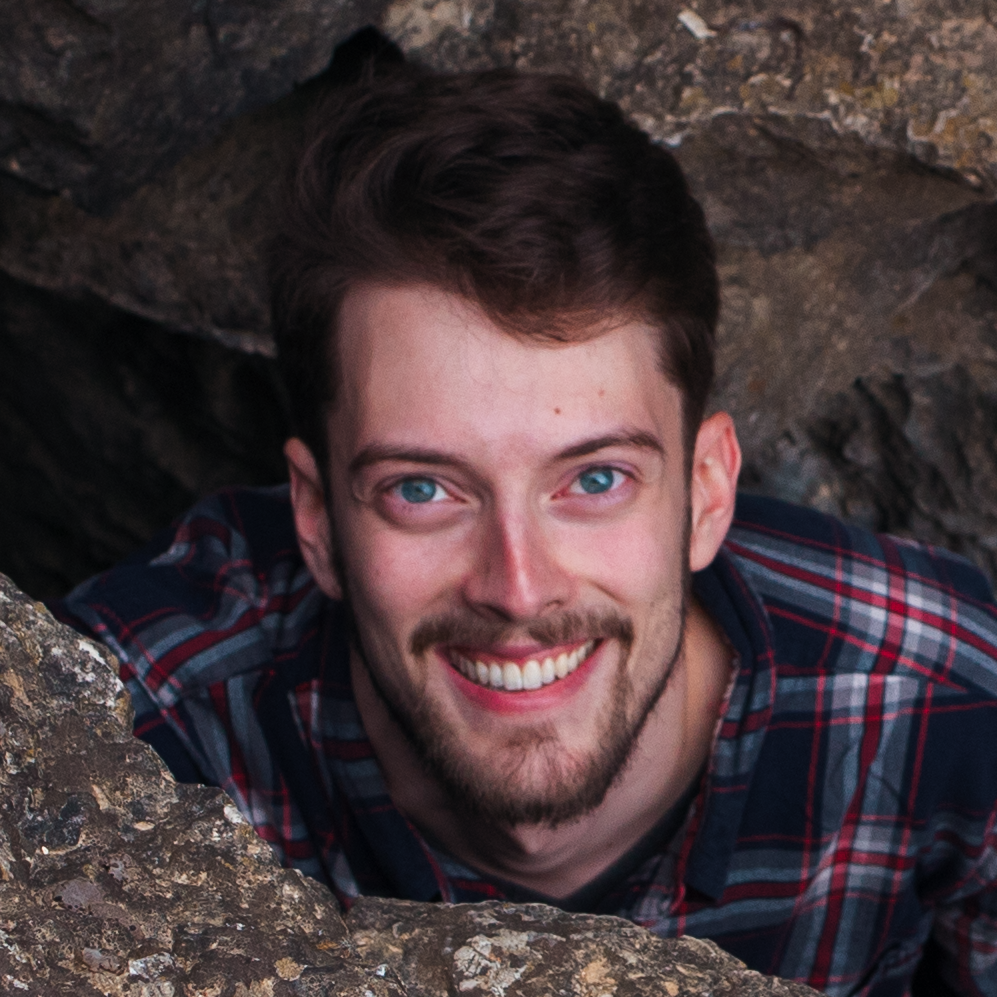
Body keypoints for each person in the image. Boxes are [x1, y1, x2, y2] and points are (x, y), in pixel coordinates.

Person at [51, 49, 997, 997]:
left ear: (707, 492)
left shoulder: (947, 702)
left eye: (595, 478)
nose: (517, 587)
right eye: (423, 490)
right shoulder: (127, 732)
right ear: (316, 519)